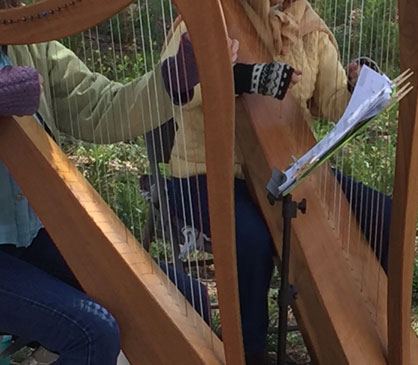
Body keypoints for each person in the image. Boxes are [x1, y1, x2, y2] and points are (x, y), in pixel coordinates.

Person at [159, 2, 390, 363]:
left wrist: (360, 88)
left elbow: (330, 102)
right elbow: (178, 88)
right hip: (204, 172)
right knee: (253, 238)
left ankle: (376, 331)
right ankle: (249, 351)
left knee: (383, 214)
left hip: (290, 171)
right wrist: (244, 76)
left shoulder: (307, 26)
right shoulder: (209, 13)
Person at [0, 1, 209, 362]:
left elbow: (98, 106)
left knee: (185, 296)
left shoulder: (23, 35)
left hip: (28, 236)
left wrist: (170, 80)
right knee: (92, 332)